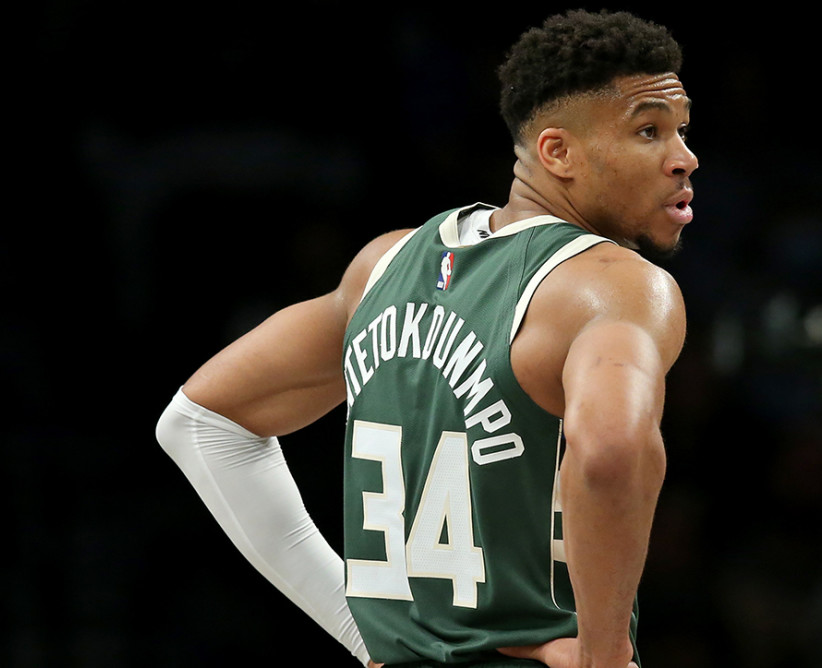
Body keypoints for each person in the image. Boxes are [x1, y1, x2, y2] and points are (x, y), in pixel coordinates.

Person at [156, 9, 697, 667]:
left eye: (680, 130)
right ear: (558, 152)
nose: (684, 158)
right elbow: (613, 451)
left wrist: (364, 634)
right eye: (649, 132)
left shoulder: (384, 265)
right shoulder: (615, 287)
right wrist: (606, 655)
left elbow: (198, 423)